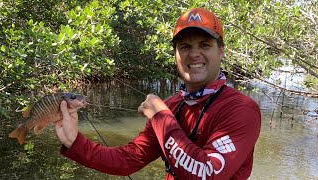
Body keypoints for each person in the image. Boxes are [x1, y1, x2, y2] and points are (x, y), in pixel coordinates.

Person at [55, 7, 261, 180]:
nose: (194, 53)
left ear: (221, 50)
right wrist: (75, 141)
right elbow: (128, 159)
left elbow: (207, 173)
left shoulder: (241, 110)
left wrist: (161, 118)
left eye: (205, 45)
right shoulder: (171, 106)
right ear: (176, 54)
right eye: (185, 46)